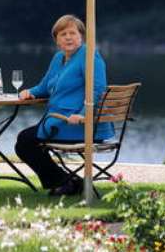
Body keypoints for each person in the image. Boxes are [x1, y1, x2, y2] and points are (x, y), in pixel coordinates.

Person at [15, 14, 111, 196]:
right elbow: (44, 86)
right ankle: (67, 181)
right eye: (63, 34)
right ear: (57, 40)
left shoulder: (89, 55)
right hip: (60, 122)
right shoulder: (58, 58)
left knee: (25, 141)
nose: (68, 37)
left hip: (80, 124)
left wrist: (83, 114)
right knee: (24, 141)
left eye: (72, 33)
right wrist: (30, 92)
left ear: (81, 36)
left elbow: (97, 89)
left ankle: (66, 182)